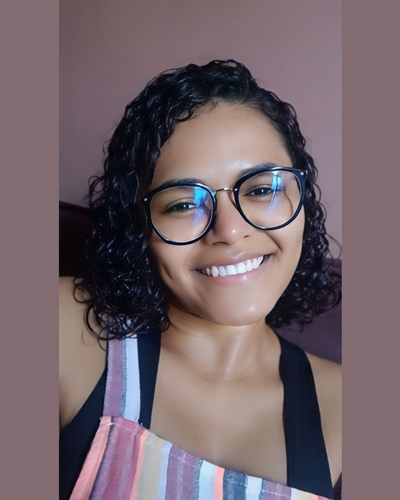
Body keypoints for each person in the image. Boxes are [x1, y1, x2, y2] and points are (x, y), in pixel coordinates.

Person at [59, 60, 342, 500]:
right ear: (140, 229)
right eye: (183, 204)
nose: (229, 231)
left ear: (302, 202)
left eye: (261, 189)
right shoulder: (64, 328)